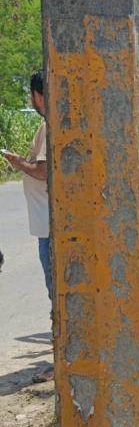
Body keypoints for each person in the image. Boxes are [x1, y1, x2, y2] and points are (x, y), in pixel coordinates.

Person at [1, 72, 50, 295]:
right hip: (46, 224)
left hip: (48, 226)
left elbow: (43, 171)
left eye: (31, 96)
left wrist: (19, 163)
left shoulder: (49, 127)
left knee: (55, 288)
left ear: (38, 96)